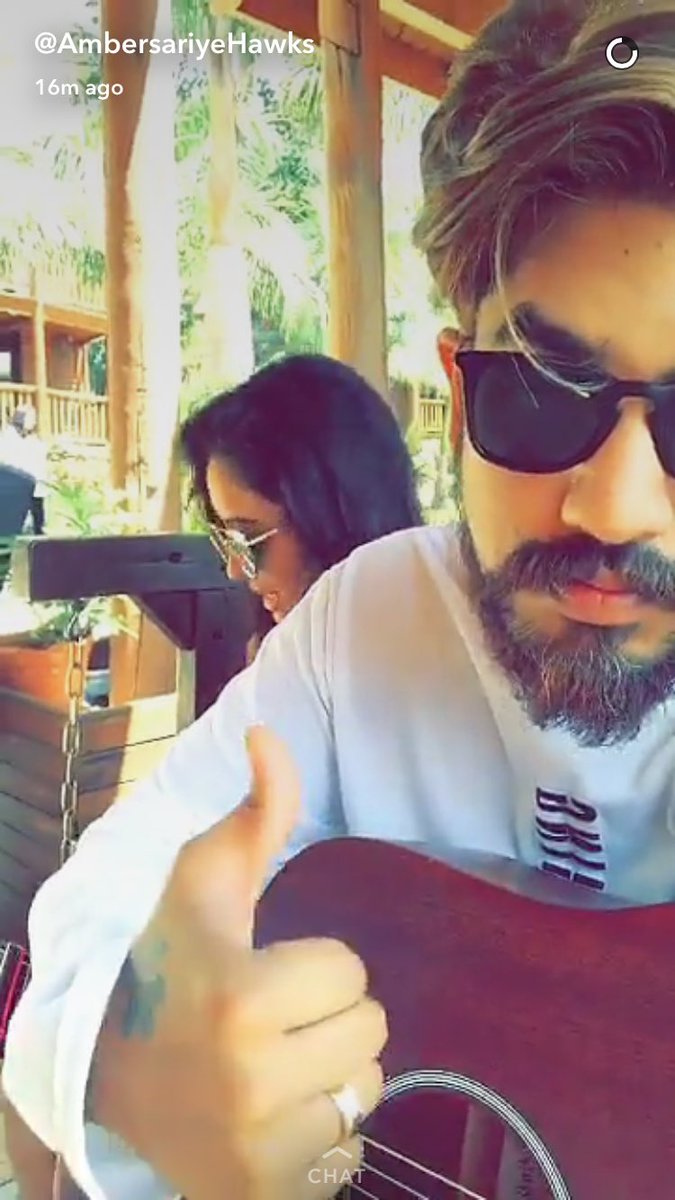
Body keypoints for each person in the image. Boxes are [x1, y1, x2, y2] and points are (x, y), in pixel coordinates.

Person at [6, 0, 675, 1196]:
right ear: (455, 386)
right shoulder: (373, 619)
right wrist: (132, 1062)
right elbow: (100, 914)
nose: (614, 507)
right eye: (540, 389)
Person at [180, 353, 423, 640]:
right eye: (226, 540)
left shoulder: (422, 646)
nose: (236, 571)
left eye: (247, 540)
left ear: (329, 519)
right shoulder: (288, 649)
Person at [0, 405, 49, 534]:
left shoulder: (33, 440)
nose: (34, 422)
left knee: (38, 521)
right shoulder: (7, 438)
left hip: (35, 485)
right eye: (30, 418)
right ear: (20, 418)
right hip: (15, 487)